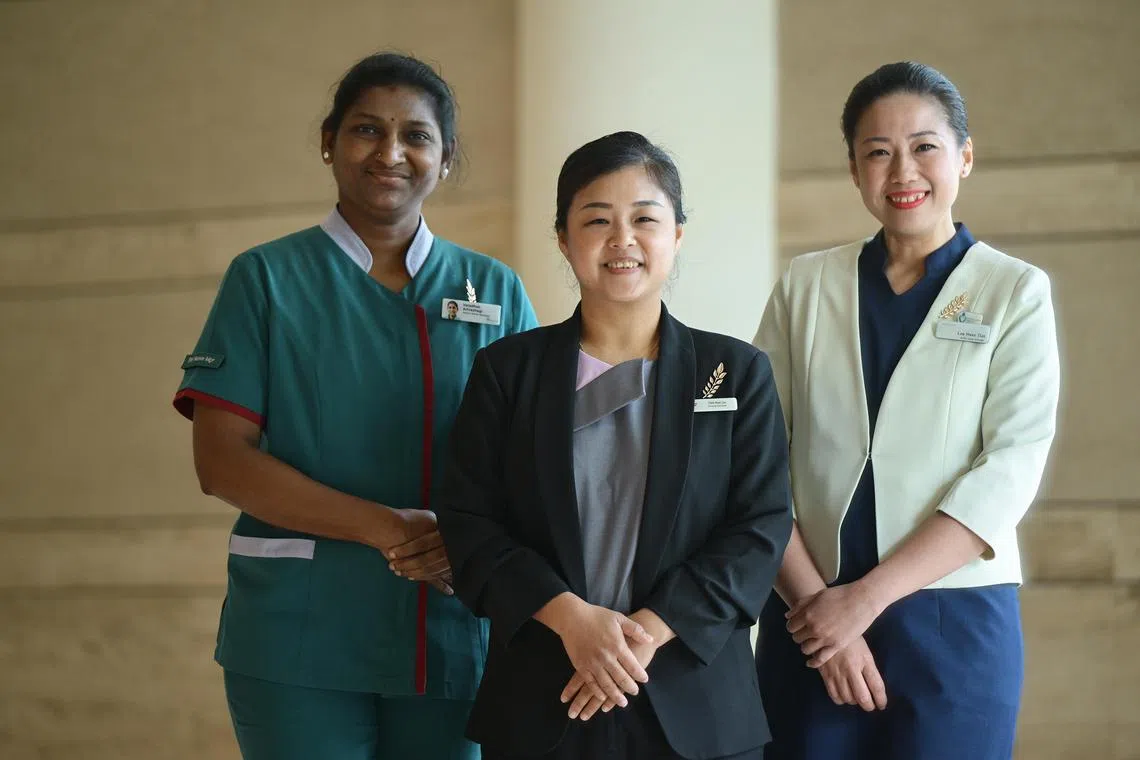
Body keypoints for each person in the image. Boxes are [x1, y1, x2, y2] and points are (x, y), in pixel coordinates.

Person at [172, 52, 538, 760]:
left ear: (445, 156)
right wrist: (387, 529)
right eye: (367, 130)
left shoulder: (495, 290)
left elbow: (534, 463)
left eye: (417, 136)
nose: (391, 153)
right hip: (297, 633)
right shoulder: (266, 280)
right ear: (328, 142)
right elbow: (221, 462)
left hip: (454, 633)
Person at [433, 131, 793, 760]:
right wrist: (573, 620)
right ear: (564, 240)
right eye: (597, 219)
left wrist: (644, 636)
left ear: (676, 235)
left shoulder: (735, 371)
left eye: (644, 219)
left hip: (696, 702)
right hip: (545, 702)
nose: (622, 239)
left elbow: (760, 528)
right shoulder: (506, 372)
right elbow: (469, 525)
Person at [753, 61, 1060, 760]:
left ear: (965, 157)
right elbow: (753, 458)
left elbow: (1010, 466)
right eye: (877, 151)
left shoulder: (1014, 291)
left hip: (952, 620)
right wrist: (816, 610)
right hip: (809, 614)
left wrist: (863, 601)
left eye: (924, 146)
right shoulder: (807, 286)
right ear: (856, 169)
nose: (903, 170)